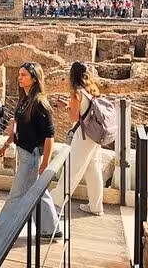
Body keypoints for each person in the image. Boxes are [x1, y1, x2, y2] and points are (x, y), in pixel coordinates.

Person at [0, 62, 62, 245]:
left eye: (24, 75)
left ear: (34, 78)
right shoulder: (24, 99)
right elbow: (19, 128)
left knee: (16, 196)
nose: (19, 77)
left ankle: (0, 235)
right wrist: (7, 143)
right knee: (38, 192)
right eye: (19, 74)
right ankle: (51, 229)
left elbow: (49, 136)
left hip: (32, 157)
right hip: (24, 153)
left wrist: (45, 164)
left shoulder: (40, 103)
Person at [49, 61, 105, 215]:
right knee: (93, 169)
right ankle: (96, 206)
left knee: (72, 167)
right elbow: (85, 109)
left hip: (84, 135)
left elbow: (74, 118)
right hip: (95, 134)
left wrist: (67, 107)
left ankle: (56, 201)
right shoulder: (91, 89)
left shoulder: (76, 92)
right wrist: (71, 105)